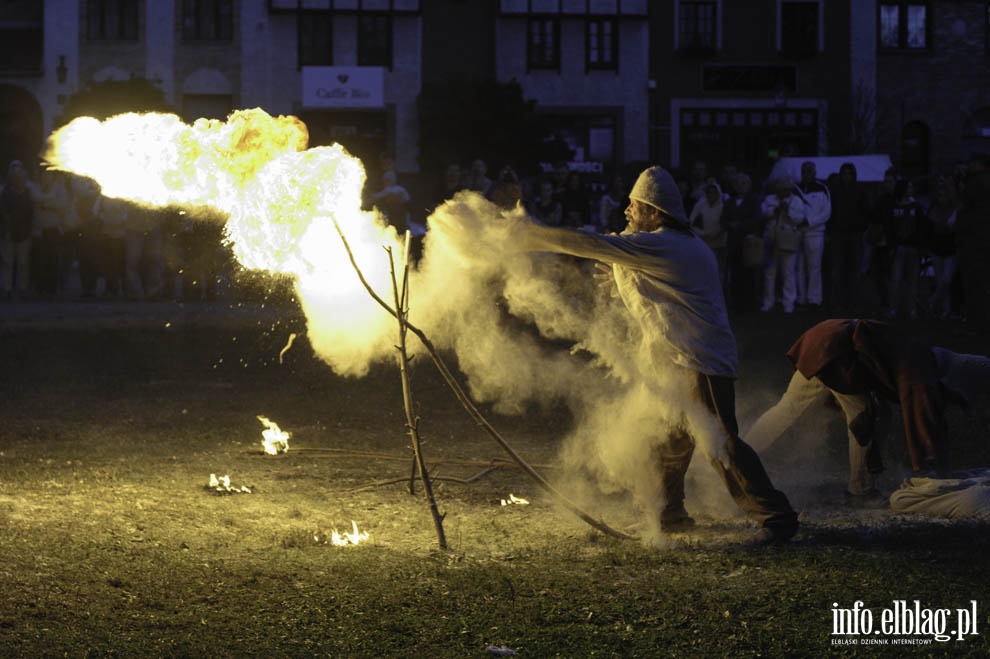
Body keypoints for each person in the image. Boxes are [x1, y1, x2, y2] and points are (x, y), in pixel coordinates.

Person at [496, 165, 800, 543]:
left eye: (634, 205)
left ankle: (777, 519)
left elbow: (597, 245)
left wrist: (533, 235)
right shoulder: (666, 244)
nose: (627, 211)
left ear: (655, 212)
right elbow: (644, 279)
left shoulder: (668, 245)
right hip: (677, 362)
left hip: (699, 360)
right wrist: (621, 280)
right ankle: (670, 515)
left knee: (720, 442)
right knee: (669, 443)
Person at [743, 318, 990, 506]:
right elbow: (924, 421)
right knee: (868, 418)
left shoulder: (925, 360)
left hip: (825, 340)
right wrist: (931, 466)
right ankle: (860, 491)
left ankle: (737, 455)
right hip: (838, 351)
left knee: (787, 408)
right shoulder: (922, 375)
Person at [825, 162, 870, 312]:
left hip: (854, 235)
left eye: (849, 174)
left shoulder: (859, 191)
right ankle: (838, 302)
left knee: (853, 270)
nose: (846, 177)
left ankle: (853, 302)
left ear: (853, 175)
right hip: (839, 235)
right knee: (838, 270)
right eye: (844, 173)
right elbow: (830, 214)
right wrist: (831, 231)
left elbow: (865, 213)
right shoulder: (835, 192)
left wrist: (860, 228)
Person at [759, 176, 805, 313]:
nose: (783, 192)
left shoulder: (796, 201)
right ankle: (768, 302)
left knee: (788, 272)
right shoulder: (769, 199)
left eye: (786, 189)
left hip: (788, 239)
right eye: (780, 189)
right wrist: (775, 210)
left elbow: (800, 218)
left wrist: (788, 211)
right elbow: (762, 213)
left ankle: (788, 304)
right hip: (771, 238)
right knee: (769, 272)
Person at [955, 152, 990, 329]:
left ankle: (977, 323)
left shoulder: (974, 183)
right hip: (984, 238)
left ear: (977, 164)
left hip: (972, 240)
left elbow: (961, 207)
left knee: (973, 284)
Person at [721, 172, 764, 313]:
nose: (740, 186)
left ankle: (750, 304)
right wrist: (730, 225)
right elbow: (722, 220)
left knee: (749, 275)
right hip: (733, 243)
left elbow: (756, 220)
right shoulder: (729, 202)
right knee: (734, 275)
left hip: (748, 244)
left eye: (744, 183)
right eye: (738, 183)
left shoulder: (754, 200)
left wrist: (739, 225)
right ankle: (736, 304)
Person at [885, 180, 927, 319]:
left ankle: (911, 309)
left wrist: (920, 246)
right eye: (908, 187)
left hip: (912, 248)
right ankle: (894, 309)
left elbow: (921, 228)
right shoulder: (893, 207)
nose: (911, 189)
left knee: (912, 280)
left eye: (911, 186)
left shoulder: (916, 207)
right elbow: (890, 228)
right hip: (899, 248)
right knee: (896, 280)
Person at [794, 161, 831, 311]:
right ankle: (801, 298)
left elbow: (826, 213)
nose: (807, 173)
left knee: (814, 267)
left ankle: (814, 299)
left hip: (815, 233)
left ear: (814, 173)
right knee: (799, 267)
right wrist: (797, 222)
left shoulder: (822, 189)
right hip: (797, 233)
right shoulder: (795, 189)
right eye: (805, 170)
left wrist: (809, 222)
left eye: (810, 171)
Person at [0, 160, 38, 298]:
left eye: (21, 177)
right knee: (7, 262)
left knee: (23, 263)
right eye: (16, 177)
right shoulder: (6, 193)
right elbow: (4, 213)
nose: (19, 180)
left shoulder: (28, 193)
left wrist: (30, 231)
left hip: (24, 233)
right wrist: (7, 230)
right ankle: (7, 288)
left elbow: (31, 213)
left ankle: (23, 288)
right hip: (8, 233)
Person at [925, 175, 960, 319]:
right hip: (937, 249)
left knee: (946, 280)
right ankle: (945, 310)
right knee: (941, 280)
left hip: (950, 249)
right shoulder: (934, 210)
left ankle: (932, 302)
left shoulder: (954, 210)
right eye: (939, 195)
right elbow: (931, 228)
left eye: (943, 194)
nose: (941, 197)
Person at [688, 178, 727, 286]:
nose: (711, 194)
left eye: (713, 192)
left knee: (718, 272)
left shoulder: (723, 205)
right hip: (704, 242)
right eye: (709, 192)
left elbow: (724, 224)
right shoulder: (701, 204)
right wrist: (701, 233)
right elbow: (691, 221)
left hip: (719, 243)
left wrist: (716, 234)